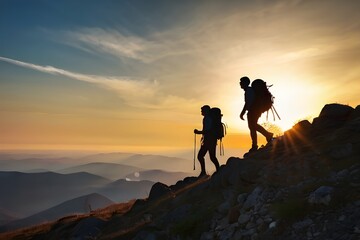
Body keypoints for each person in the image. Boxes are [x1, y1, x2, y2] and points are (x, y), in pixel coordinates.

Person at [239, 76, 273, 153]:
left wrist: (242, 113)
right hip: (255, 110)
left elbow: (248, 103)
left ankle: (256, 144)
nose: (240, 84)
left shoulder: (249, 91)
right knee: (253, 126)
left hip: (253, 111)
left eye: (241, 82)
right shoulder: (249, 90)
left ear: (245, 83)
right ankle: (265, 136)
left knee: (252, 127)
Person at [194, 105, 220, 177]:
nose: (201, 112)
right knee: (212, 157)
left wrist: (198, 132)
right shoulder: (208, 118)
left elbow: (208, 131)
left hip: (209, 140)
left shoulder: (207, 119)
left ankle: (204, 172)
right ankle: (218, 170)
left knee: (200, 156)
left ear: (206, 111)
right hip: (212, 140)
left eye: (202, 110)